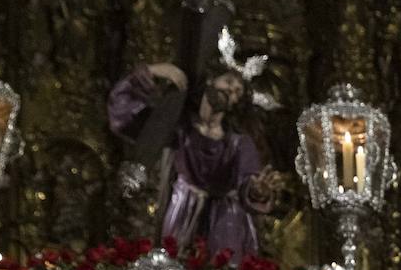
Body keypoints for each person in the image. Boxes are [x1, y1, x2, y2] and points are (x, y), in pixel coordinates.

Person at [108, 59, 278, 259]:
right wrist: (152, 71)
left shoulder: (239, 143)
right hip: (178, 218)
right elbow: (124, 114)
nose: (232, 90)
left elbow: (248, 180)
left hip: (224, 228)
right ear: (210, 80)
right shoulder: (177, 128)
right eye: (229, 82)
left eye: (238, 91)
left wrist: (257, 190)